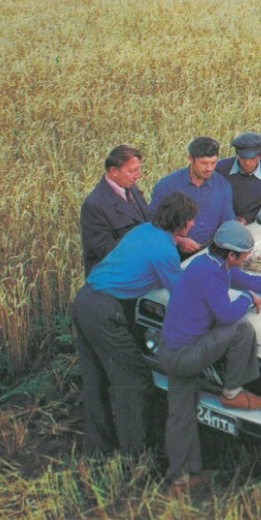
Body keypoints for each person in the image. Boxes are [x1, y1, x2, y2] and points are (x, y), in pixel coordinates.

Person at [159, 220, 261, 494]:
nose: (249, 258)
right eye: (245, 254)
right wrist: (247, 298)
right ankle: (232, 392)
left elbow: (249, 279)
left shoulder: (207, 264)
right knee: (241, 327)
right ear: (231, 255)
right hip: (185, 354)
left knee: (180, 414)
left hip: (170, 351)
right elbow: (228, 314)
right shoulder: (212, 275)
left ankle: (181, 479)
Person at [71, 191, 198, 457]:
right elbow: (183, 295)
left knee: (95, 380)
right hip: (105, 311)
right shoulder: (165, 251)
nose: (194, 225)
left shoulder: (144, 231)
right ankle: (137, 455)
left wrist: (177, 242)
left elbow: (146, 254)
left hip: (84, 300)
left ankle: (97, 451)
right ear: (181, 223)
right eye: (191, 221)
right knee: (135, 381)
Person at [150, 136, 235, 252]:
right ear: (190, 158)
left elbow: (228, 222)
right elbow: (152, 225)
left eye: (213, 163)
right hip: (172, 251)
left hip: (210, 252)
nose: (209, 168)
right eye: (204, 163)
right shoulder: (167, 186)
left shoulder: (223, 185)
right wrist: (179, 241)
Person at [80, 144, 153, 275]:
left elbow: (148, 222)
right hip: (111, 281)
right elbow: (105, 250)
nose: (138, 176)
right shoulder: (94, 205)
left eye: (138, 170)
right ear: (114, 171)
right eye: (132, 171)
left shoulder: (132, 188)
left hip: (138, 272)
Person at [215, 132, 261, 224]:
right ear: (237, 154)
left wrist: (247, 218)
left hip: (259, 222)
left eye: (252, 158)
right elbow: (214, 200)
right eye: (243, 157)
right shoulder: (221, 169)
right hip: (225, 222)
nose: (247, 163)